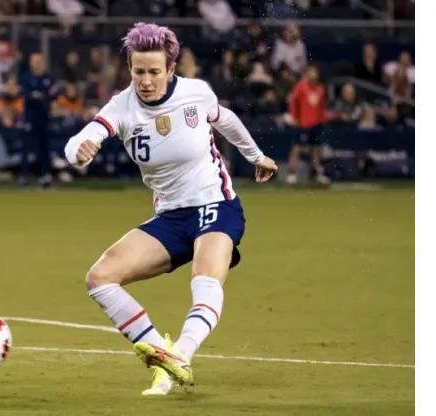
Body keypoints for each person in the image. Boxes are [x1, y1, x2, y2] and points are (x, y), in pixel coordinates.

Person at [63, 23, 278, 395]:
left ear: (171, 69)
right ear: (129, 68)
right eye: (138, 72)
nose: (146, 81)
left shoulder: (196, 93)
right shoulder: (122, 106)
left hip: (216, 204)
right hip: (171, 217)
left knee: (204, 278)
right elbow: (83, 138)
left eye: (154, 72)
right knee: (100, 278)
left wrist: (256, 156)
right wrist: (78, 153)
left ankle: (181, 353)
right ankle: (163, 356)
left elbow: (225, 119)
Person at [285, 64, 330, 185]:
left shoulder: (321, 88)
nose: (314, 75)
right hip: (303, 123)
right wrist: (294, 117)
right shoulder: (301, 86)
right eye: (311, 72)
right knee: (297, 148)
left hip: (317, 123)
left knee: (316, 149)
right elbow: (293, 102)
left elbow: (322, 105)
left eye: (315, 72)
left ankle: (317, 173)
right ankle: (291, 173)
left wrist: (323, 119)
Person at [20, 53, 56, 188]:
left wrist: (40, 97)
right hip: (30, 116)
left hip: (44, 117)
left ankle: (44, 176)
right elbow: (27, 95)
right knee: (27, 146)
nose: (37, 63)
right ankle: (25, 176)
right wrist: (38, 96)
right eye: (35, 61)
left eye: (39, 61)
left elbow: (51, 95)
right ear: (31, 63)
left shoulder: (48, 78)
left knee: (44, 147)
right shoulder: (26, 77)